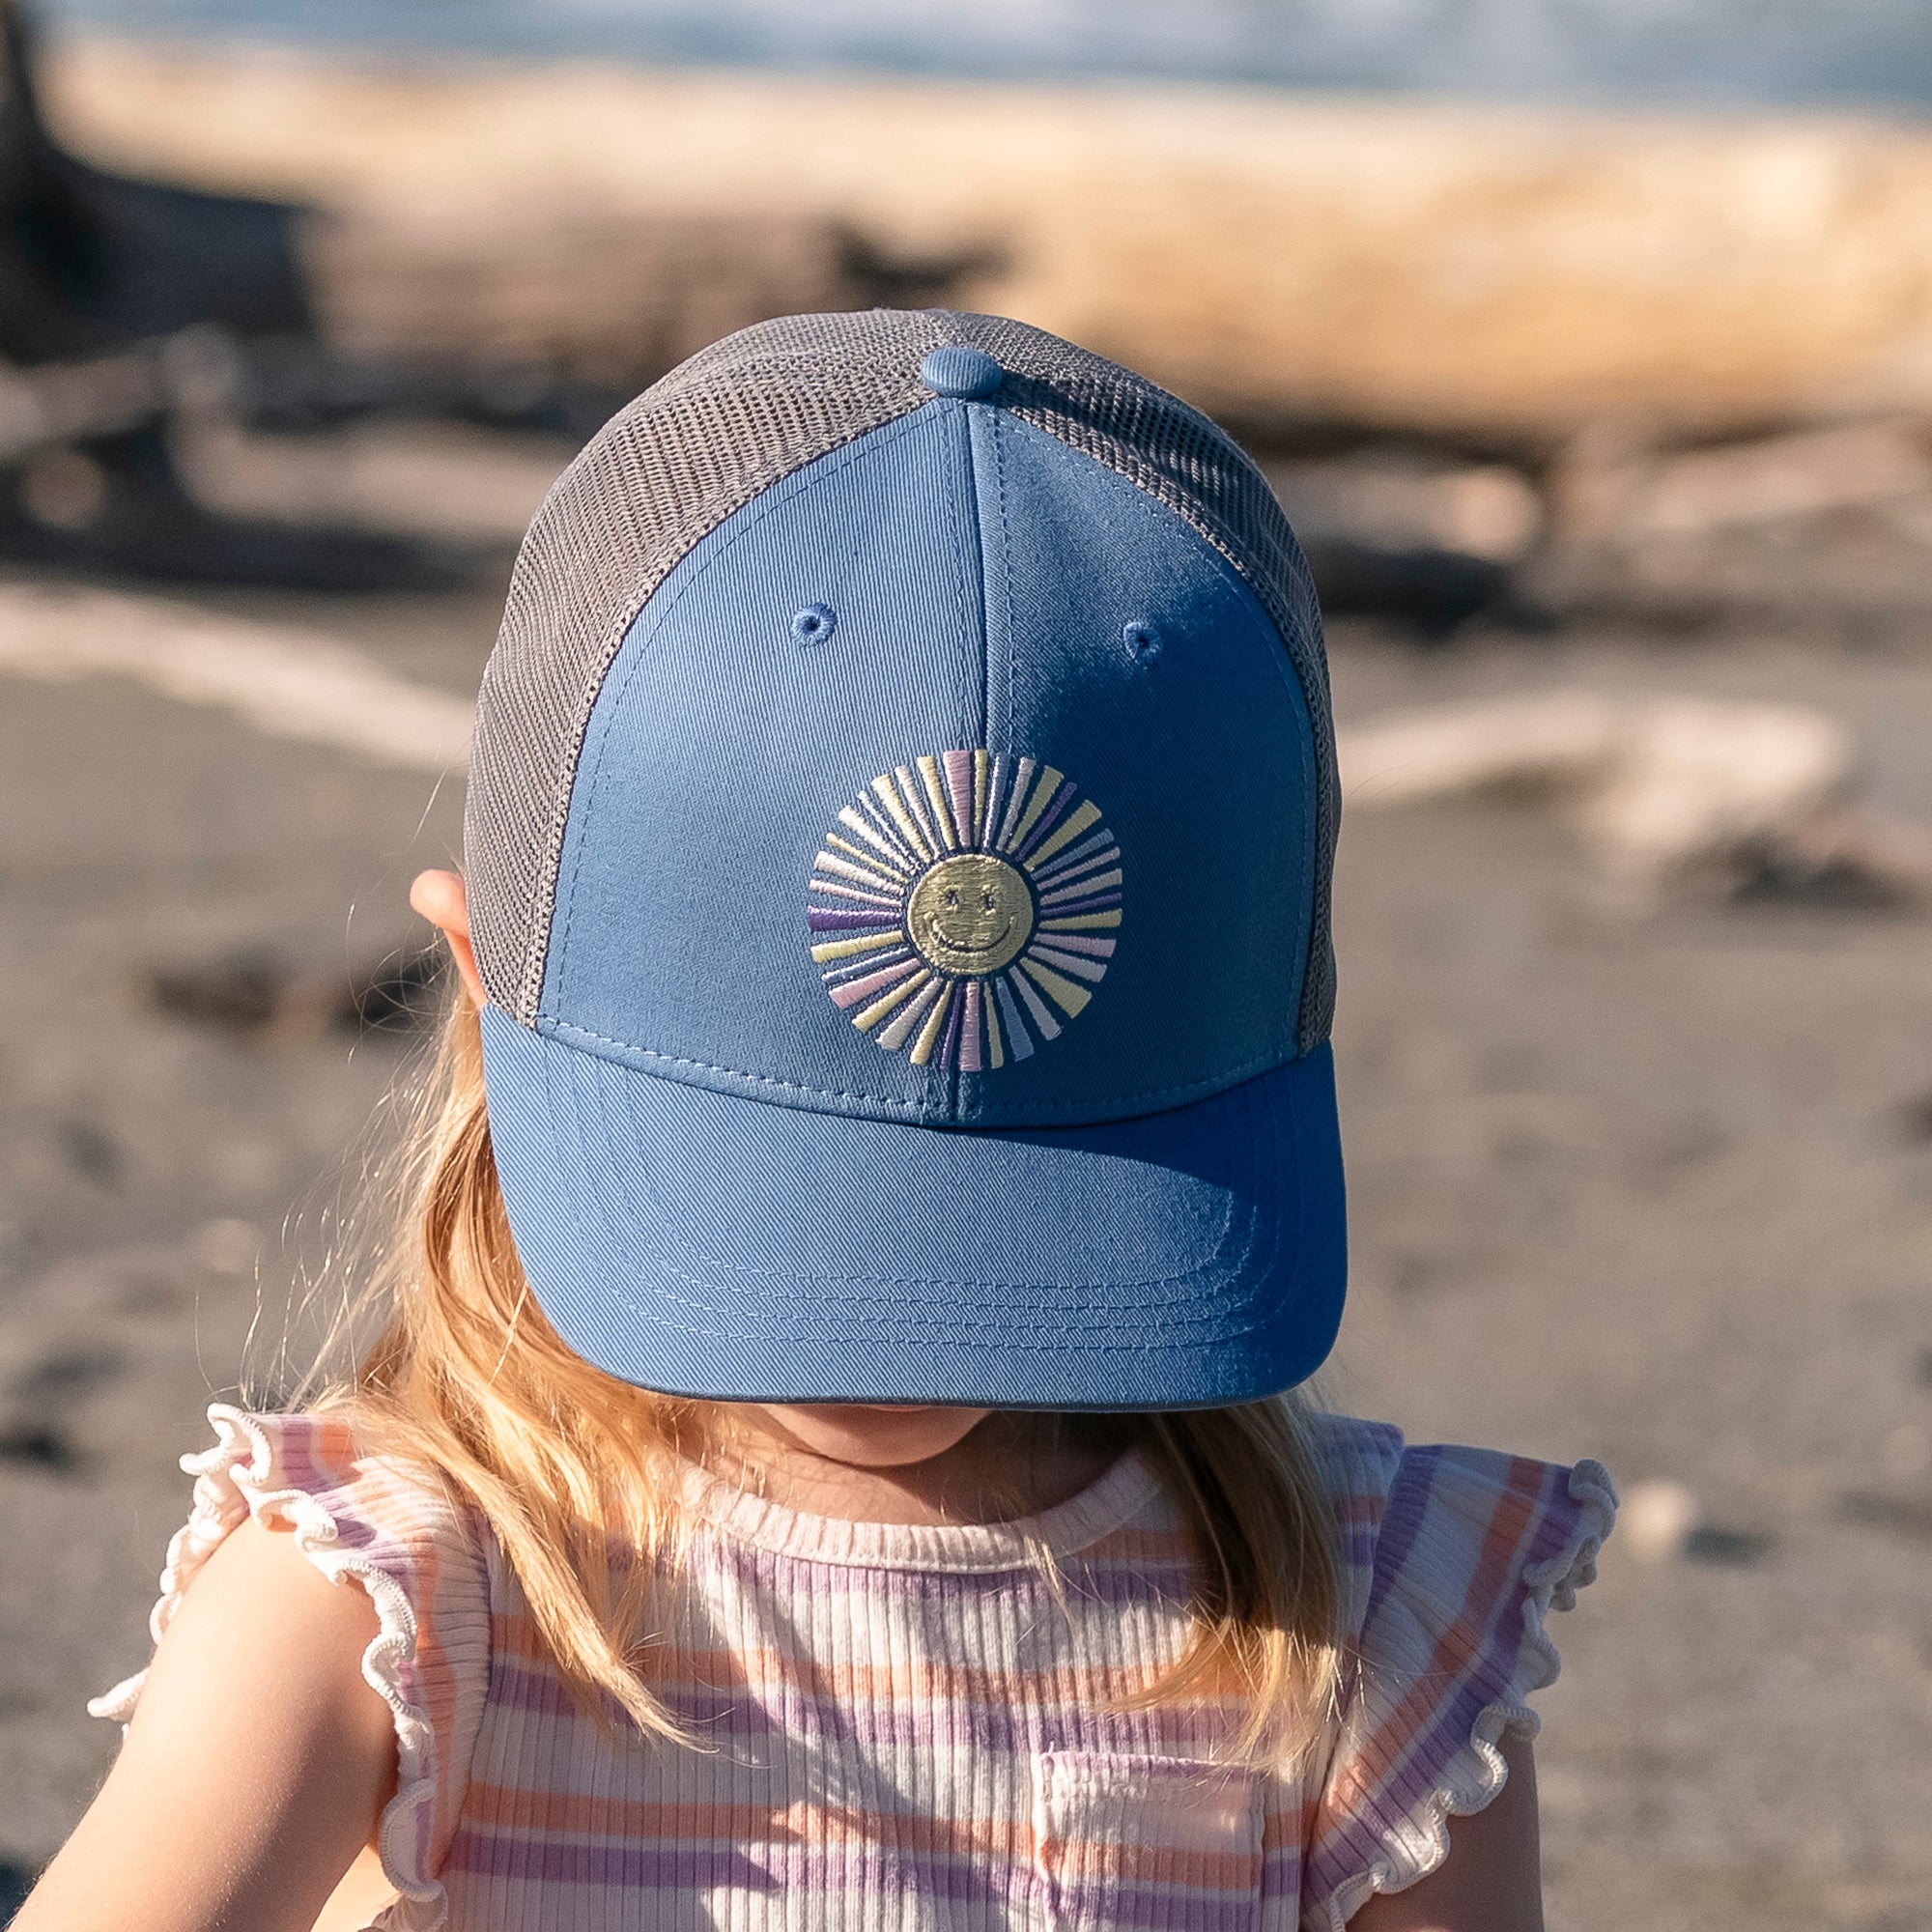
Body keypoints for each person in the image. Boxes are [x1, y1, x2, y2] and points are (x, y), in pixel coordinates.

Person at [17, 313, 1614, 1932]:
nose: (894, 1327)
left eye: (1023, 1219)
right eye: (790, 1205)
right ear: (480, 985)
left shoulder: (1362, 1628)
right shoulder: (402, 1604)